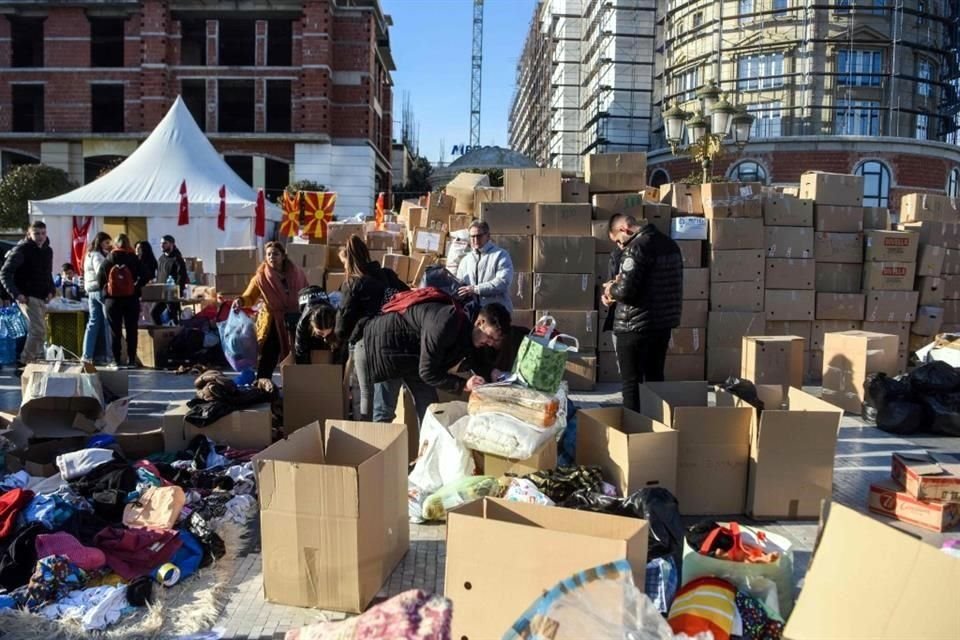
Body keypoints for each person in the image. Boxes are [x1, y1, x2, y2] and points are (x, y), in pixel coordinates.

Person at [353, 297, 510, 422]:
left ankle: (425, 459)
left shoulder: (470, 329)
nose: (489, 343)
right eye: (489, 337)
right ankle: (379, 457)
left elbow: (474, 356)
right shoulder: (445, 323)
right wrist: (463, 384)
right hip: (388, 349)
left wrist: (492, 371)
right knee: (384, 411)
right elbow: (428, 372)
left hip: (417, 358)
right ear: (480, 322)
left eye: (494, 341)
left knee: (431, 412)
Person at [604, 213, 683, 412]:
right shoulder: (670, 245)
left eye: (619, 242)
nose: (620, 247)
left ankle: (633, 430)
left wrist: (610, 289)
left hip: (634, 325)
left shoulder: (636, 248)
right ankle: (658, 424)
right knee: (655, 378)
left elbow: (626, 292)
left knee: (631, 383)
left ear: (624, 229)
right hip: (662, 323)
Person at [233, 241, 308, 380]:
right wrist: (240, 301)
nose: (271, 257)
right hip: (273, 320)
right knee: (269, 354)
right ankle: (262, 384)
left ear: (283, 256)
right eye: (268, 254)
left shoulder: (297, 273)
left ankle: (296, 384)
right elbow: (250, 296)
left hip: (295, 319)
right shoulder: (260, 277)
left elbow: (306, 291)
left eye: (275, 254)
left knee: (296, 352)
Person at [0, 221, 56, 365]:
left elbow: (48, 273)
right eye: (36, 233)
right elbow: (5, 273)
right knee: (38, 331)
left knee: (39, 332)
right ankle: (25, 361)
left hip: (42, 296)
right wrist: (16, 293)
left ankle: (34, 359)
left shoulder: (47, 250)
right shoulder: (22, 250)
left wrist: (51, 290)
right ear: (29, 234)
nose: (40, 237)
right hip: (27, 296)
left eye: (43, 233)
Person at [336, 235, 408, 344]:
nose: (345, 267)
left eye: (344, 263)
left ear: (349, 262)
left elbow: (343, 322)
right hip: (397, 333)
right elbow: (408, 296)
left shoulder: (352, 284)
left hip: (368, 339)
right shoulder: (388, 275)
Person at [97, 233, 149, 368]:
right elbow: (146, 274)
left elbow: (99, 279)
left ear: (115, 244)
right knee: (132, 329)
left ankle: (116, 360)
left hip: (112, 300)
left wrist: (106, 291)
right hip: (131, 299)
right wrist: (136, 287)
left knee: (115, 331)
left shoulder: (109, 258)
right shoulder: (133, 258)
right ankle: (131, 360)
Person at [455, 221, 515, 312]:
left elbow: (503, 282)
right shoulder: (465, 261)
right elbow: (460, 284)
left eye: (479, 236)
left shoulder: (500, 255)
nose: (475, 239)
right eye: (472, 236)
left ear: (488, 236)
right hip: (474, 314)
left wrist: (475, 289)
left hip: (497, 313)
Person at [81, 232, 114, 365]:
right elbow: (101, 271)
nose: (108, 245)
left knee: (93, 323)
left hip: (91, 291)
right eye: (106, 242)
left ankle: (87, 355)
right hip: (100, 290)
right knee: (106, 323)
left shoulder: (88, 255)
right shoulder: (98, 256)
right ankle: (108, 356)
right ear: (100, 242)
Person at [151, 234, 188, 325]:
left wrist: (178, 291)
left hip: (172, 293)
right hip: (160, 292)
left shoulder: (177, 259)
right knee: (153, 313)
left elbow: (182, 276)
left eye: (164, 243)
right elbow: (159, 275)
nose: (162, 245)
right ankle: (161, 333)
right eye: (161, 243)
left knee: (172, 316)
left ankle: (173, 335)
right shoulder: (161, 259)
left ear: (171, 244)